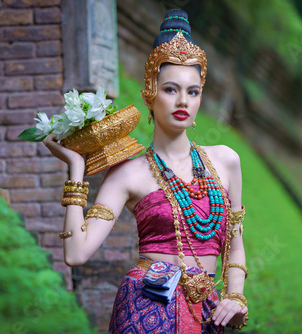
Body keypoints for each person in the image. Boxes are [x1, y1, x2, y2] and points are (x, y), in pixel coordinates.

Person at [43, 9, 248, 333]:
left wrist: (236, 296)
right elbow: (76, 253)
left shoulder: (226, 161)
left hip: (207, 314)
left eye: (192, 91)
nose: (182, 100)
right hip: (146, 309)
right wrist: (76, 168)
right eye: (170, 89)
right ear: (150, 93)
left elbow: (235, 247)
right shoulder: (129, 173)